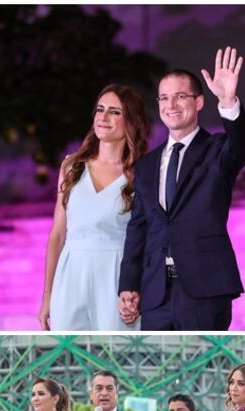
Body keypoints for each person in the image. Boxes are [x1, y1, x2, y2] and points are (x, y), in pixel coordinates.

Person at [118, 47, 245, 330]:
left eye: (180, 96)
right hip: (155, 294)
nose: (171, 104)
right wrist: (128, 285)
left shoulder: (217, 149)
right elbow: (138, 228)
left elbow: (243, 145)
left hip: (204, 290)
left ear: (199, 102)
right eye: (164, 98)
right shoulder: (146, 165)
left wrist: (228, 101)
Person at [39, 84, 150, 331]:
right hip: (71, 273)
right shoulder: (71, 166)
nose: (103, 116)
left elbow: (146, 238)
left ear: (131, 121)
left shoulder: (141, 174)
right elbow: (58, 234)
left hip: (116, 275)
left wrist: (138, 289)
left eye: (114, 111)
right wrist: (47, 295)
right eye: (100, 109)